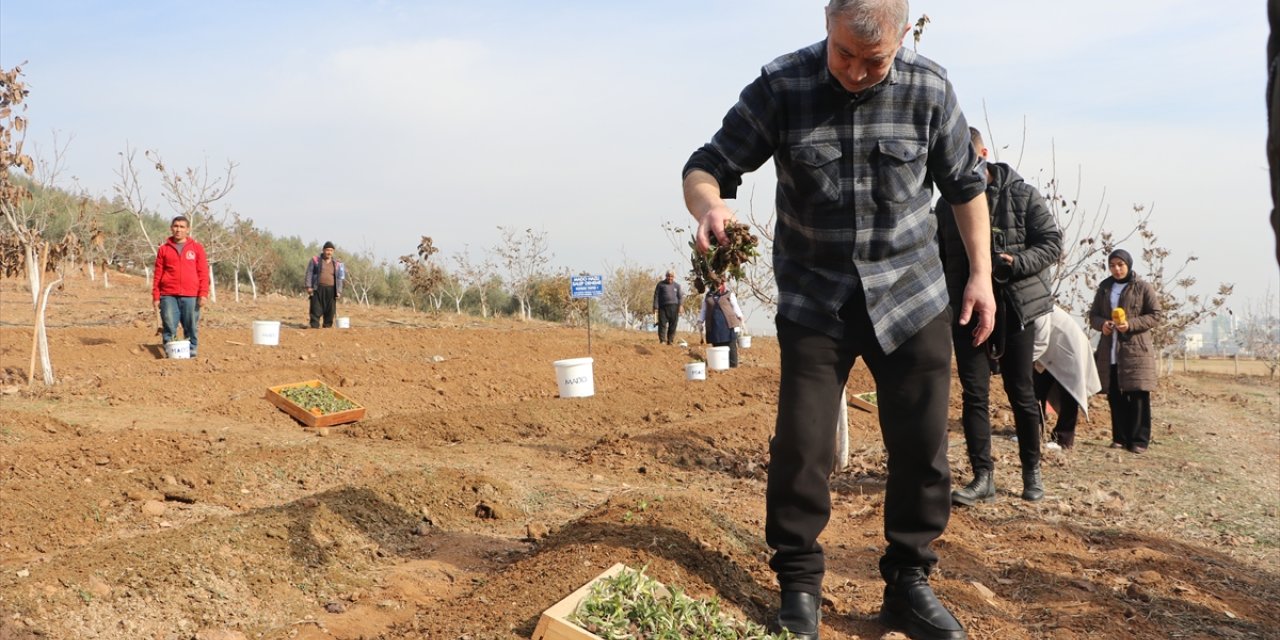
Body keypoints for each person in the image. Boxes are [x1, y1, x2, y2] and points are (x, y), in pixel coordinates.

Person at [681, 1, 996, 638]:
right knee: (802, 446)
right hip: (814, 299)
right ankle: (798, 586)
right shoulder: (784, 84)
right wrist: (709, 209)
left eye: (872, 59)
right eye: (843, 53)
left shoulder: (930, 90)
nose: (854, 70)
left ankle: (909, 582)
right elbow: (707, 166)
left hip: (910, 295)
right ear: (827, 25)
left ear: (901, 38)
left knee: (922, 447)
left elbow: (965, 188)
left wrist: (983, 277)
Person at [936, 128, 1062, 505]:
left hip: (1015, 307)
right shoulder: (947, 204)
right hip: (967, 309)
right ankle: (982, 477)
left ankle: (1031, 470)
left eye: (969, 158)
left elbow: (1052, 242)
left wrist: (1016, 262)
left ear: (984, 153)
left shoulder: (1022, 195)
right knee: (974, 394)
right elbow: (939, 254)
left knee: (1020, 391)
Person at [1088, 249, 1163, 453]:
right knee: (1115, 394)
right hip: (1110, 348)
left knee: (1138, 394)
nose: (1117, 269)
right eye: (1112, 265)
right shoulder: (1105, 287)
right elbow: (1093, 315)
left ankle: (1139, 440)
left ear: (1128, 265)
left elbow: (1155, 315)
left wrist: (1130, 324)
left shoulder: (1142, 287)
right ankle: (1119, 437)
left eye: (1120, 265)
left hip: (1136, 349)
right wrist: (1102, 324)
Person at [1031, 306, 1102, 450]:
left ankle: (1063, 439)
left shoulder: (1038, 308)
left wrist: (1019, 362)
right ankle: (1033, 432)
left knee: (1069, 393)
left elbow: (1040, 342)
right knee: (1035, 391)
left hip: (1068, 350)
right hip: (1049, 353)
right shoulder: (1026, 307)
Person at [152, 216, 209, 357]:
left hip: (191, 294)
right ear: (171, 228)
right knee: (169, 324)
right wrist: (156, 296)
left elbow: (203, 272)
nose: (178, 229)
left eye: (182, 227)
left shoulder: (197, 248)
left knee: (190, 325)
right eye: (176, 226)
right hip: (168, 294)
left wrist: (203, 293)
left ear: (188, 229)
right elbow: (158, 274)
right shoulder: (163, 249)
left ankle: (192, 349)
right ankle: (170, 350)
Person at [697, 280, 744, 367]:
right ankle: (720, 365)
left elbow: (735, 306)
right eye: (716, 283)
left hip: (728, 324)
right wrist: (700, 321)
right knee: (717, 346)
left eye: (720, 283)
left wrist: (740, 317)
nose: (718, 285)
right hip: (714, 325)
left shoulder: (729, 294)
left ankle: (732, 365)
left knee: (730, 346)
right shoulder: (708, 296)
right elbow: (704, 310)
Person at [305, 241, 345, 329]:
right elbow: (309, 273)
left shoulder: (338, 264)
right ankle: (314, 326)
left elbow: (340, 278)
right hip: (317, 289)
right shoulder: (315, 260)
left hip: (331, 290)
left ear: (333, 252)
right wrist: (308, 286)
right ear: (323, 250)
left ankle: (327, 327)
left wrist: (339, 291)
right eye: (327, 250)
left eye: (331, 250)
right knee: (315, 308)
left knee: (330, 310)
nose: (329, 252)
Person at [653, 270, 684, 344]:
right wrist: (655, 307)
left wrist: (681, 306)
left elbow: (680, 297)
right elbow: (656, 296)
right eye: (668, 276)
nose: (670, 278)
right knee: (662, 324)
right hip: (663, 307)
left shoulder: (677, 286)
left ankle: (670, 341)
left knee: (673, 324)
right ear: (666, 276)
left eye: (671, 276)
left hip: (674, 307)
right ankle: (662, 340)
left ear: (674, 277)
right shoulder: (660, 284)